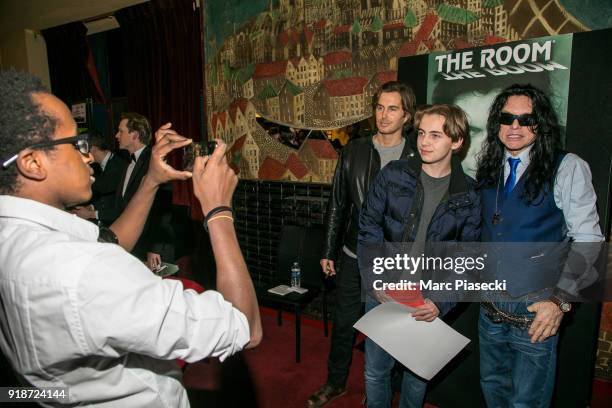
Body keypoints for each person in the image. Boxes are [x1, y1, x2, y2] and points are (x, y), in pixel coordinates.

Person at [0, 70, 262, 407]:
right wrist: (218, 209)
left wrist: (151, 179)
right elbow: (246, 327)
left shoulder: (17, 239)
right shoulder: (87, 272)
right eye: (76, 144)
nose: (87, 155)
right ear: (32, 162)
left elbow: (110, 241)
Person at [475, 83, 603, 407]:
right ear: (497, 124)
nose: (514, 126)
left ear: (540, 124)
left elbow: (589, 240)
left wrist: (559, 301)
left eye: (525, 119)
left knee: (526, 402)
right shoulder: (489, 165)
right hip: (489, 309)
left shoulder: (568, 166)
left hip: (537, 313)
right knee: (492, 389)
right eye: (507, 118)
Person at [357, 104, 481, 408]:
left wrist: (441, 302)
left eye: (435, 135)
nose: (424, 141)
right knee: (375, 372)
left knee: (417, 376)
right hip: (384, 290)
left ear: (457, 141)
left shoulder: (470, 195)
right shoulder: (393, 175)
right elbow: (368, 227)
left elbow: (468, 260)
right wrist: (375, 281)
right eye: (422, 133)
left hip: (427, 298)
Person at [307, 81, 417, 407]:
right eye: (380, 107)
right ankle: (335, 382)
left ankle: (385, 387)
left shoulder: (417, 155)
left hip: (395, 262)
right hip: (354, 256)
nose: (383, 116)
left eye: (392, 108)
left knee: (392, 328)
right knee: (344, 325)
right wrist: (328, 250)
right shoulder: (354, 150)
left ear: (406, 115)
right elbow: (338, 203)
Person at [114, 112, 164, 270]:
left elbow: (161, 207)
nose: (116, 135)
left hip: (147, 246)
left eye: (121, 131)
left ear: (134, 135)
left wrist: (154, 248)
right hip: (131, 243)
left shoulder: (154, 161)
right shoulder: (126, 163)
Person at [72, 129, 127, 225]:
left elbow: (106, 189)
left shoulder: (119, 166)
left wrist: (90, 213)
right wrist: (91, 207)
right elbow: (106, 198)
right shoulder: (97, 166)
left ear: (93, 148)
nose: (79, 153)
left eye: (81, 148)